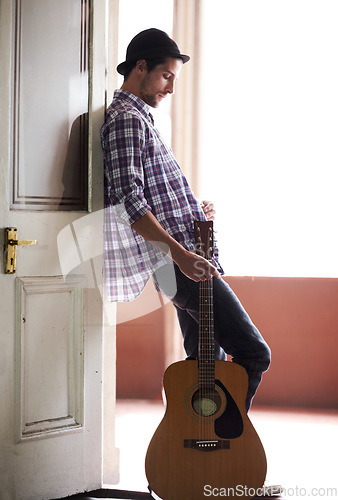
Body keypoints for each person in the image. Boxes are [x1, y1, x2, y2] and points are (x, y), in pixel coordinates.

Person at [100, 28, 271, 412]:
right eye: (166, 76)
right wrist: (180, 255)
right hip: (175, 263)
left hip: (181, 257)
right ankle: (225, 443)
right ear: (140, 67)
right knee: (254, 352)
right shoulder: (127, 119)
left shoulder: (141, 119)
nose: (171, 88)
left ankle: (193, 451)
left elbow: (152, 195)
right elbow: (130, 201)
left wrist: (195, 209)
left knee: (205, 364)